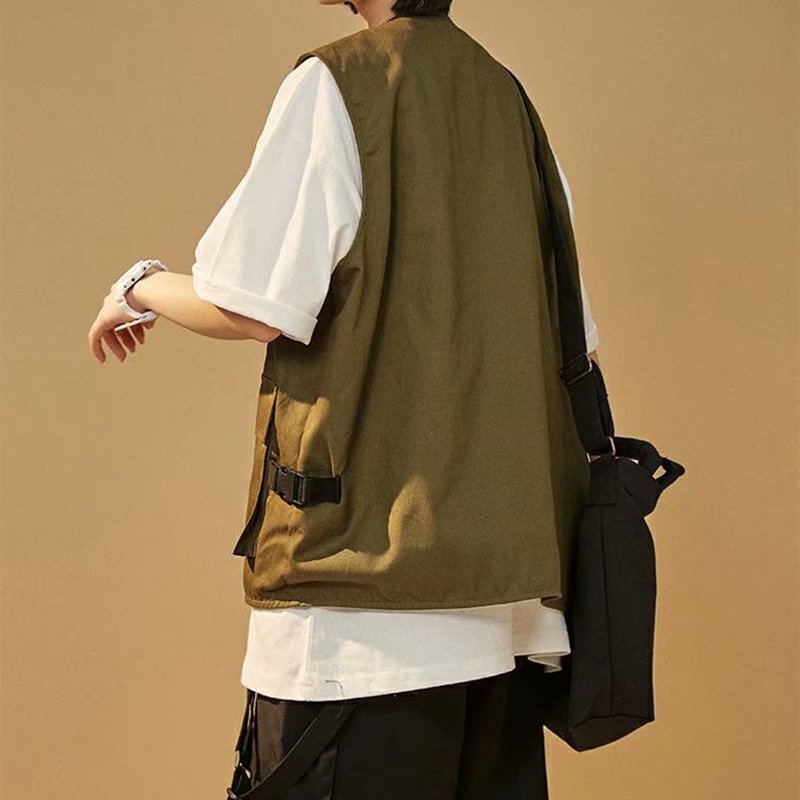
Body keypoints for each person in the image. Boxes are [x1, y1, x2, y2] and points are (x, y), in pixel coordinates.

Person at [87, 1, 601, 797]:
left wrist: (138, 286)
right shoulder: (508, 99)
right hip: (506, 615)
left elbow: (250, 303)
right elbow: (571, 336)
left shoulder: (338, 85)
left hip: (359, 622)